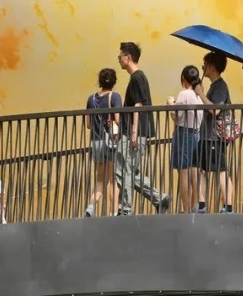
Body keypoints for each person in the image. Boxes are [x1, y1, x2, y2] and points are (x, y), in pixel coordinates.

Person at [114, 42, 171, 215]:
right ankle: (159, 198)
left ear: (128, 57)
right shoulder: (138, 77)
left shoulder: (137, 77)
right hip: (135, 132)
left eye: (120, 56)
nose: (118, 59)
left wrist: (133, 132)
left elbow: (138, 105)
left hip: (134, 133)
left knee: (123, 171)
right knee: (130, 171)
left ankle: (126, 209)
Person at [192, 51, 235, 213]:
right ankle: (202, 204)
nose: (203, 67)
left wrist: (201, 94)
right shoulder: (214, 86)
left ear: (212, 67)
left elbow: (215, 110)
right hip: (207, 136)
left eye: (205, 64)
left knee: (221, 170)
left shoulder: (220, 87)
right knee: (198, 167)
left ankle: (228, 207)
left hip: (214, 137)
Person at [85, 68, 122, 217]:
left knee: (100, 180)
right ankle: (114, 213)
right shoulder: (115, 97)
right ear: (114, 82)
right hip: (111, 142)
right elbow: (118, 120)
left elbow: (88, 124)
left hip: (96, 141)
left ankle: (91, 207)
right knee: (113, 180)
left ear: (100, 81)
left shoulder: (91, 99)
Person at [166, 65, 203, 213]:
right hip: (196, 133)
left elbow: (177, 116)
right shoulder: (199, 95)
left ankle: (186, 209)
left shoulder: (184, 94)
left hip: (183, 133)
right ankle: (194, 207)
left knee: (184, 173)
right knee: (194, 172)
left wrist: (170, 105)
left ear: (183, 78)